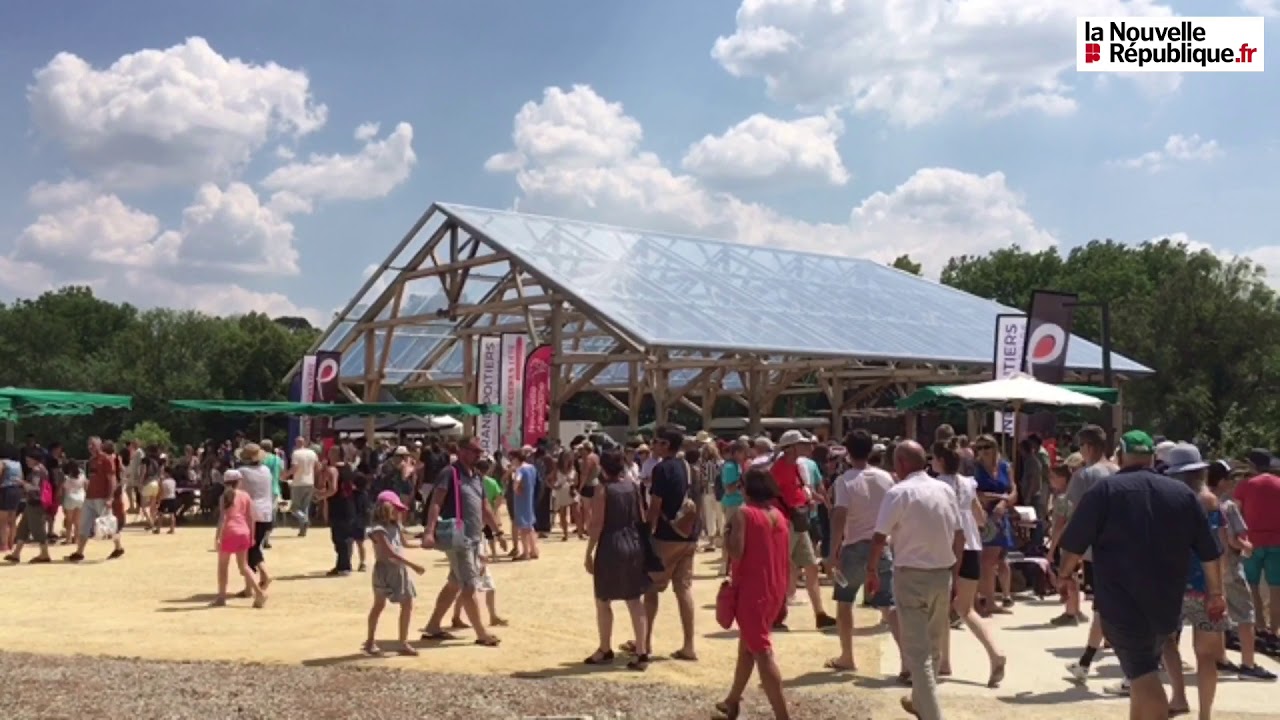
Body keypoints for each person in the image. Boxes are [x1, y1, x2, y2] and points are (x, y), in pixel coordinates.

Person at [1057, 430, 1223, 720]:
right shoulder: (1182, 494)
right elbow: (1210, 553)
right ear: (1152, 458)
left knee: (1142, 673)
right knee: (1142, 666)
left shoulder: (1104, 492)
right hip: (1167, 601)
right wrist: (1217, 594)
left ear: (1120, 456)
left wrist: (1063, 576)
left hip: (1121, 602)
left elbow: (1072, 546)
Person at [866, 441, 964, 720]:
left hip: (911, 575)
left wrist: (871, 570)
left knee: (918, 654)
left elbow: (878, 537)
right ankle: (921, 702)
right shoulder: (944, 489)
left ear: (900, 464)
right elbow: (959, 535)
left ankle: (931, 714)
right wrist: (954, 575)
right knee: (932, 649)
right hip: (942, 573)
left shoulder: (898, 493)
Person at [713, 466, 792, 720]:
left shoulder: (743, 514)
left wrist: (726, 535)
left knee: (761, 652)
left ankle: (783, 716)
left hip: (751, 591)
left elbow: (736, 552)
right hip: (774, 588)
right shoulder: (778, 515)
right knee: (747, 647)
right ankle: (732, 701)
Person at [826, 430, 900, 674]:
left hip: (854, 545)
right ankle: (908, 661)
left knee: (845, 601)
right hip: (881, 544)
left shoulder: (844, 480)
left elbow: (839, 515)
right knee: (887, 605)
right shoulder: (886, 478)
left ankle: (847, 656)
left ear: (848, 452)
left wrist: (832, 550)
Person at [933, 439, 1005, 686]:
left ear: (940, 461)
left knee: (942, 606)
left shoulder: (936, 485)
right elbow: (981, 518)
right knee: (965, 608)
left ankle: (943, 661)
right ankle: (993, 654)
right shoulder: (967, 483)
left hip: (947, 546)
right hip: (972, 545)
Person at [420, 435, 502, 647]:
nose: (479, 454)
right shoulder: (450, 473)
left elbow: (485, 507)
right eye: (475, 451)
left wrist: (497, 532)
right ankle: (482, 633)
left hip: (474, 538)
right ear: (462, 450)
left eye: (480, 451)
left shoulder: (477, 477)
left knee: (454, 584)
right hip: (458, 538)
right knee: (468, 585)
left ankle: (432, 627)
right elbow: (436, 503)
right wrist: (429, 531)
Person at [583, 449, 651, 670]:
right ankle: (641, 651)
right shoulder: (632, 487)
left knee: (603, 599)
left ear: (603, 467)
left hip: (612, 544)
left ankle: (605, 648)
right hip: (633, 542)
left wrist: (589, 552)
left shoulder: (603, 490)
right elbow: (641, 516)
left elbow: (597, 524)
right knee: (634, 599)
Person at [1208, 461, 1276, 680]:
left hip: (1206, 570)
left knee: (1217, 616)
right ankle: (1248, 664)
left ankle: (1220, 659)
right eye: (1229, 478)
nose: (1233, 482)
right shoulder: (1228, 507)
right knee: (1246, 615)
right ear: (1221, 481)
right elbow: (1234, 541)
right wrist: (1247, 547)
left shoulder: (1198, 503)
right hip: (1230, 568)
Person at [638, 425, 699, 661]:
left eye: (656, 441)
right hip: (689, 533)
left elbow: (655, 506)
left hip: (667, 535)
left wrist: (646, 531)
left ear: (666, 445)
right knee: (683, 590)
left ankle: (645, 641)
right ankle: (689, 645)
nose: (653, 445)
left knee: (651, 588)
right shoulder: (689, 468)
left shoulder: (662, 469)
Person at [364, 491, 425, 656]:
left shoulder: (395, 526)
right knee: (384, 605)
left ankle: (397, 642)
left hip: (396, 570)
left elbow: (404, 543)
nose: (399, 513)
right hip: (388, 569)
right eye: (396, 509)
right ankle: (377, 642)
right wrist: (413, 565)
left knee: (401, 604)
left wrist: (424, 543)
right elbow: (390, 553)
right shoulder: (378, 529)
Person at [1237, 448, 1280, 634]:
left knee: (1252, 587)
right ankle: (1274, 631)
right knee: (1276, 588)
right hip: (1277, 542)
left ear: (1252, 464)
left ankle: (1260, 628)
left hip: (1251, 542)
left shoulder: (1245, 485)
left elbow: (1236, 514)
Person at [213, 470, 267, 608]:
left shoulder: (224, 496)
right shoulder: (245, 496)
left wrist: (217, 536)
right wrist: (252, 536)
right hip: (244, 531)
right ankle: (259, 592)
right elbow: (251, 518)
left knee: (223, 566)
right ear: (239, 481)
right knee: (244, 566)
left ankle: (221, 597)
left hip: (229, 531)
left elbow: (222, 518)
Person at [67, 437, 124, 562]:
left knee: (109, 524)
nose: (90, 447)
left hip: (102, 497)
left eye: (93, 445)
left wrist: (110, 498)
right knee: (84, 525)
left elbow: (112, 480)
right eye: (89, 445)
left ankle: (118, 547)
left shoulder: (107, 459)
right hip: (90, 497)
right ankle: (79, 552)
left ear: (100, 445)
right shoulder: (92, 461)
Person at [238, 444, 274, 593]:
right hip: (266, 513)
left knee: (249, 549)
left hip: (251, 514)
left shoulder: (242, 472)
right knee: (254, 547)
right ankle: (248, 587)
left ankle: (264, 574)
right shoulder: (266, 470)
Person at [285, 437, 319, 536]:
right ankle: (303, 531)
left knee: (294, 508)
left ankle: (304, 519)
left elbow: (294, 468)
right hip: (310, 482)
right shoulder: (312, 453)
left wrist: (286, 475)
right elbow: (317, 467)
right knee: (305, 507)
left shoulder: (296, 453)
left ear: (296, 443)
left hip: (298, 483)